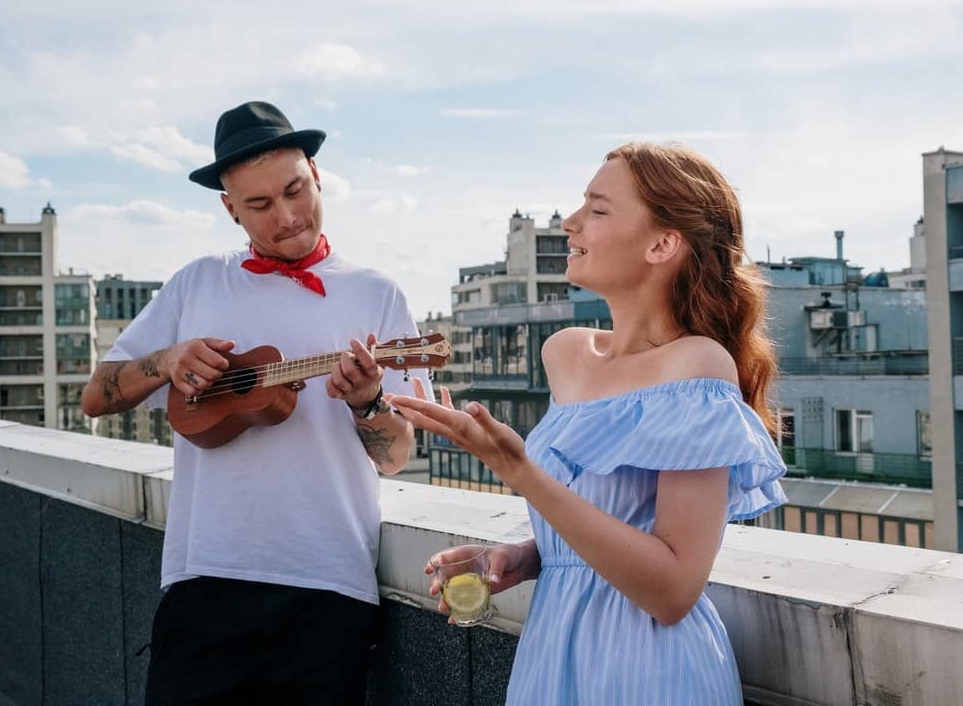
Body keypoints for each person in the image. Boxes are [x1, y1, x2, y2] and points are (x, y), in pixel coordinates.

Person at [390, 142, 787, 704]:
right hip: (553, 654)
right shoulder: (566, 354)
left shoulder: (697, 366)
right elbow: (606, 510)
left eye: (598, 210)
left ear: (662, 243)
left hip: (649, 670)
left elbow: (673, 589)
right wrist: (530, 556)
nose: (572, 223)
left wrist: (520, 471)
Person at [81, 101, 431, 705]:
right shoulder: (197, 282)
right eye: (260, 205)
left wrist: (369, 402)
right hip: (205, 578)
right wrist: (166, 361)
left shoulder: (377, 293)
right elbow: (96, 396)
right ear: (229, 207)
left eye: (295, 190)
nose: (288, 218)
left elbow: (397, 456)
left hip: (329, 584)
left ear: (316, 174)